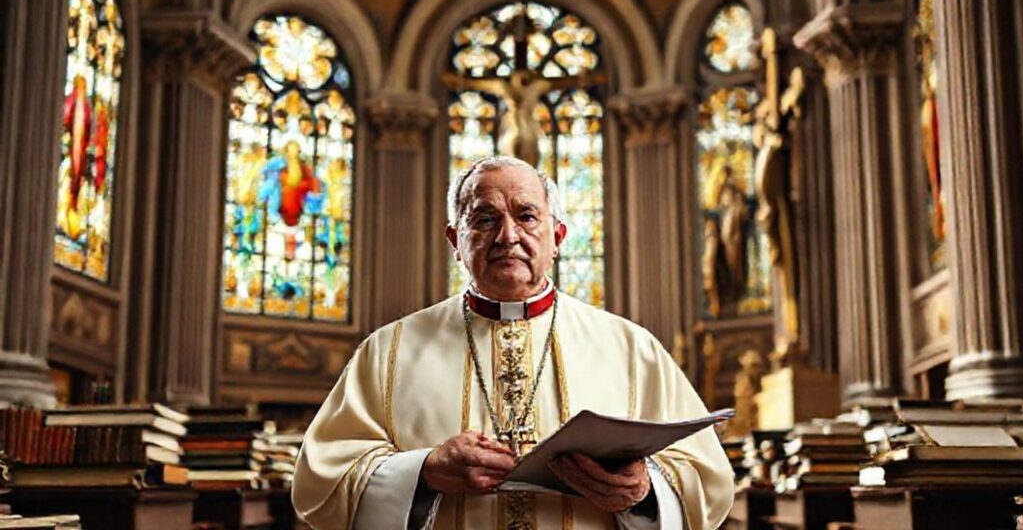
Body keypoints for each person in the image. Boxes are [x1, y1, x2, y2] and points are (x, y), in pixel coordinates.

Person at [292, 156, 734, 529]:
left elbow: (706, 479)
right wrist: (424, 472)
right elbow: (321, 480)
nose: (508, 236)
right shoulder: (387, 351)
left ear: (557, 238)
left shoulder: (631, 348)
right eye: (485, 219)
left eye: (526, 216)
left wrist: (645, 490)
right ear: (455, 241)